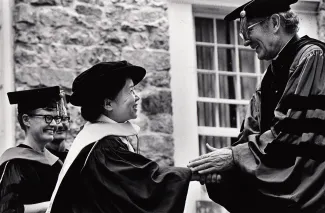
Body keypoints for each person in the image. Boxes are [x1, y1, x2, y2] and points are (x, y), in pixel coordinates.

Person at [188, 0, 325, 212]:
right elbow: (251, 131)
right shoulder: (270, 75)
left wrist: (235, 157)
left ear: (275, 23)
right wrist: (225, 166)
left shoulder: (312, 57)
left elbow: (293, 132)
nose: (244, 41)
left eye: (249, 29)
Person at [47, 61, 198, 213]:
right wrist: (191, 174)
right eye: (131, 91)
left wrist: (190, 174)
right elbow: (143, 188)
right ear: (108, 104)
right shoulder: (103, 148)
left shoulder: (102, 140)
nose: (137, 97)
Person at [0, 86, 65, 213]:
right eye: (47, 117)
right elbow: (6, 209)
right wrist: (49, 206)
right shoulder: (14, 164)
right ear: (26, 120)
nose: (54, 124)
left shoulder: (56, 163)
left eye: (55, 118)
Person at [45, 90, 70, 162]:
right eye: (55, 119)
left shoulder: (74, 160)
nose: (60, 125)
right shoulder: (36, 162)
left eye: (64, 118)